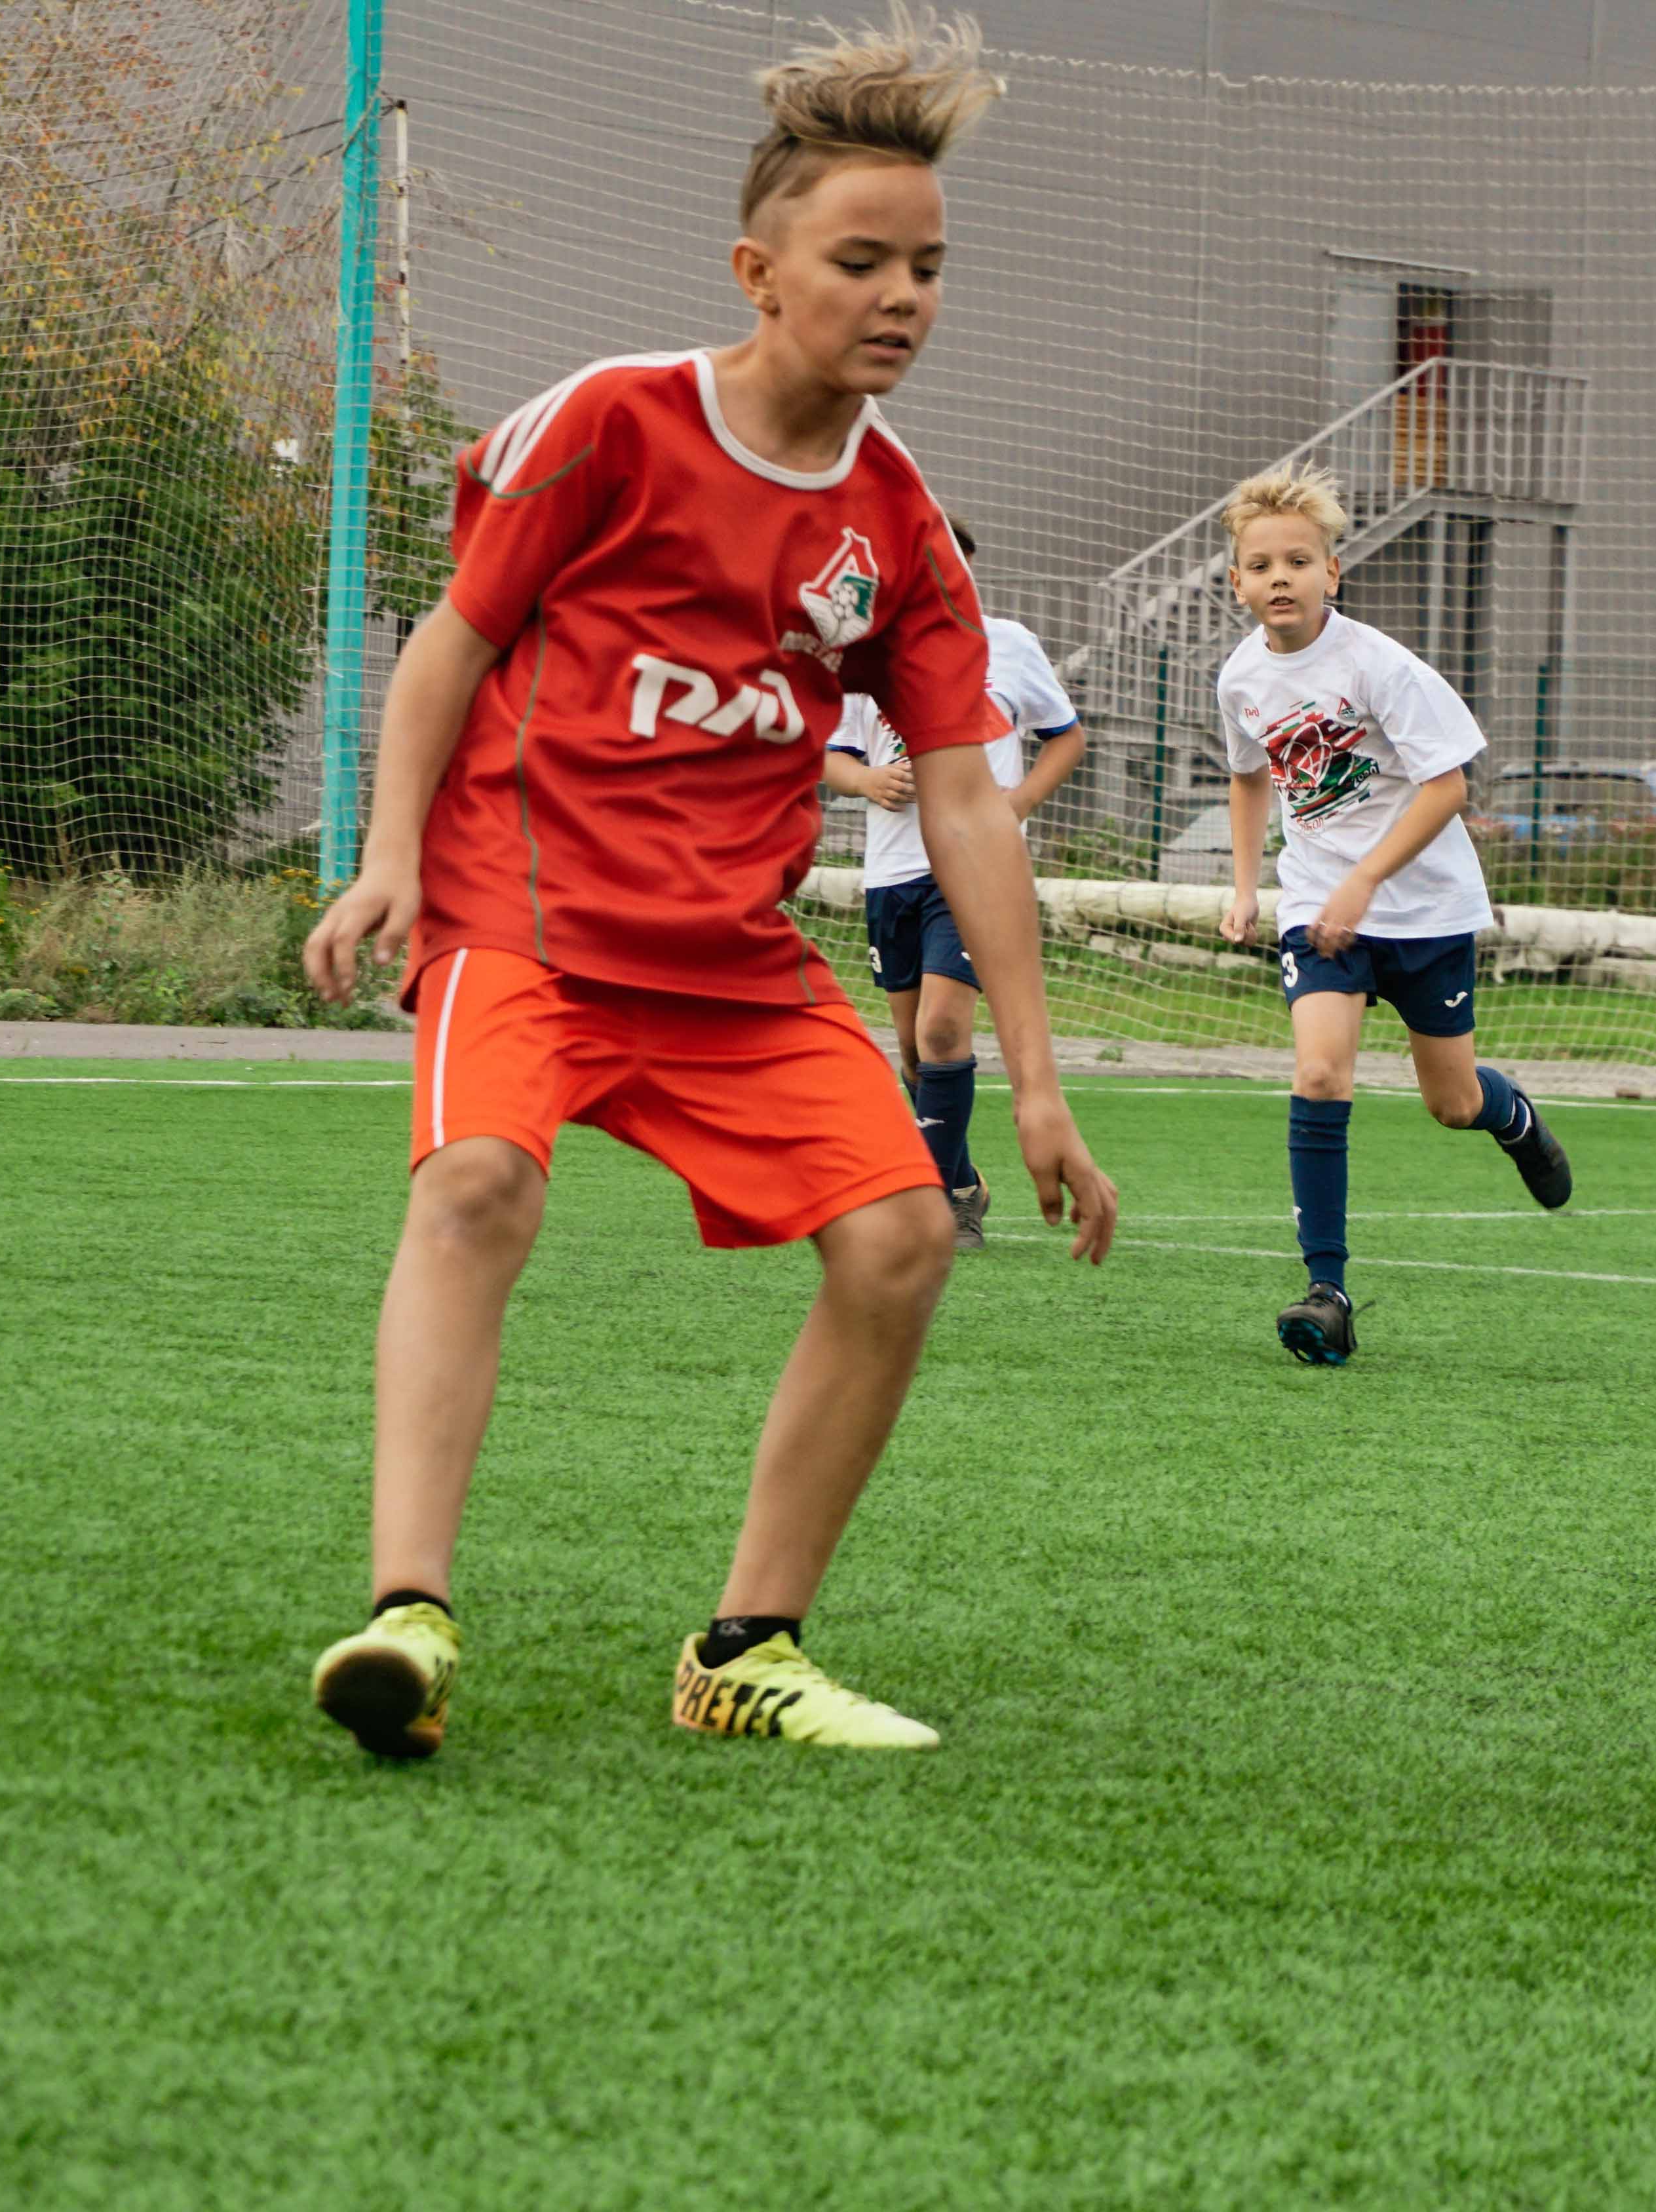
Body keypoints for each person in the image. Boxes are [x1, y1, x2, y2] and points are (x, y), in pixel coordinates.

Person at [295, 12, 1117, 1760]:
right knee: (477, 1191)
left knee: (901, 1242)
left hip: (728, 963)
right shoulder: (610, 426)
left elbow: (970, 808)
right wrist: (384, 863)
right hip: (523, 922)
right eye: (862, 261)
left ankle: (746, 1649)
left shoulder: (898, 528)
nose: (903, 295)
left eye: (930, 268)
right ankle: (407, 1619)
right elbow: (450, 650)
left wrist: (1038, 1081)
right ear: (759, 270)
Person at [1212, 463, 1572, 1365]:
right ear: (1238, 583)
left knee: (1450, 1103)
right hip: (1318, 908)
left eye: (1300, 560)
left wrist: (1366, 880)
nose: (1281, 578)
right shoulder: (1241, 678)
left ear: (1334, 571)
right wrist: (1249, 887)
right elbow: (1251, 776)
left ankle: (1514, 1118)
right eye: (1262, 565)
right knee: (1320, 1074)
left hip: (1423, 908)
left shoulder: (1381, 666)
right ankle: (1326, 1290)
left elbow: (1448, 785)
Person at [820, 519, 1085, 1251]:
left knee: (943, 1029)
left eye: (950, 569)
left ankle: (937, 1210)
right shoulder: (863, 657)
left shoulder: (1009, 645)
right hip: (893, 873)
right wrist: (868, 779)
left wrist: (1020, 803)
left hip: (974, 871)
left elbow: (1067, 734)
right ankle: (963, 1178)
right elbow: (833, 755)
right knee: (913, 1050)